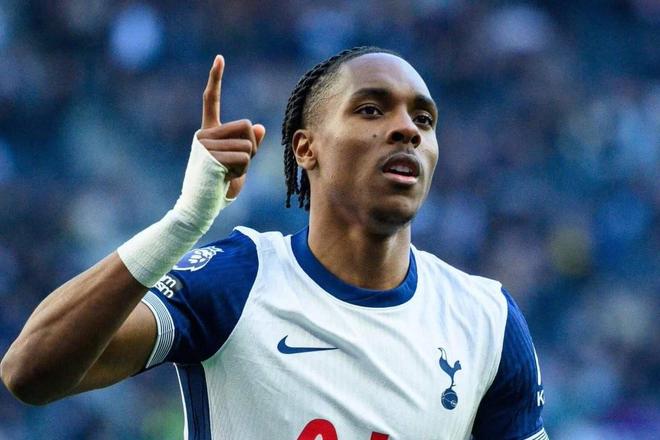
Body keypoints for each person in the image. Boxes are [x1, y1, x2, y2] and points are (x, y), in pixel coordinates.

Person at [1, 46, 548, 439]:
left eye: (423, 119)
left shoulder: (487, 320)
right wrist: (184, 221)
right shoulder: (237, 281)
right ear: (306, 148)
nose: (408, 129)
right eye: (371, 109)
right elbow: (30, 371)